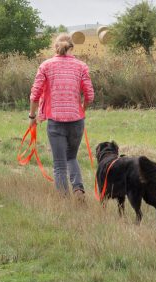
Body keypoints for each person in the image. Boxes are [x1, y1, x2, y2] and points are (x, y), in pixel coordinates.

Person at [29, 33, 94, 197]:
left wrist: (32, 117)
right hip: (77, 120)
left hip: (55, 121)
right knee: (71, 157)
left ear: (55, 47)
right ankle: (78, 189)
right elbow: (90, 95)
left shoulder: (45, 66)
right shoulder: (81, 66)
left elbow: (35, 94)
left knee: (59, 164)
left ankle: (64, 201)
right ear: (72, 47)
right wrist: (82, 109)